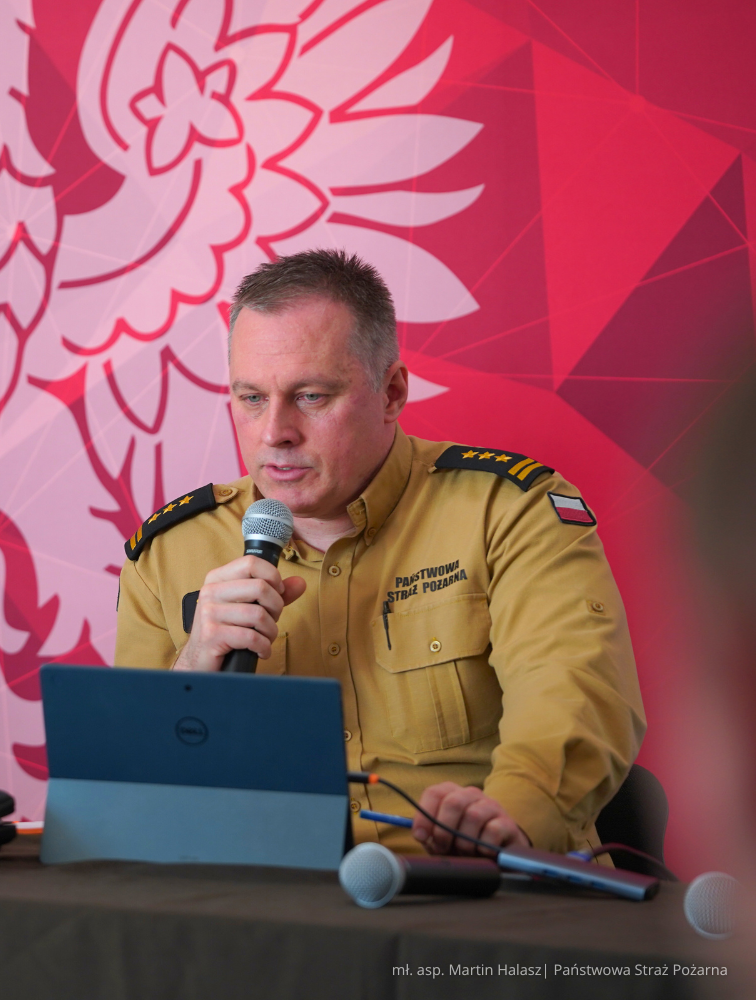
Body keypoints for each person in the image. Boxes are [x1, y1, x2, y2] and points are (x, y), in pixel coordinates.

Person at [114, 250, 644, 857]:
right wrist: (191, 670)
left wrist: (512, 818)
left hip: (477, 884)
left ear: (391, 393)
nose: (274, 432)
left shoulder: (507, 513)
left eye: (311, 396)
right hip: (265, 897)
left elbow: (575, 695)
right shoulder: (167, 554)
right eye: (252, 398)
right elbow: (124, 794)